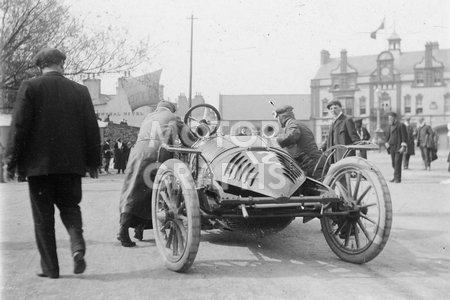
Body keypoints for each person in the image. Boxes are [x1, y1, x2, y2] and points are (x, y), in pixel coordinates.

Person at [4, 48, 101, 279]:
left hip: (39, 168)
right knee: (70, 208)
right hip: (70, 166)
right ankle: (77, 245)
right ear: (62, 64)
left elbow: (19, 128)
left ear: (41, 66)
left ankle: (51, 268)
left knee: (43, 218)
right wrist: (93, 162)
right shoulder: (80, 91)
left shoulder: (30, 87)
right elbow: (91, 128)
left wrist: (10, 160)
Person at [117, 100, 197, 247]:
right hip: (157, 154)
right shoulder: (173, 117)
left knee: (133, 191)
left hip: (137, 153)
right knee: (156, 192)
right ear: (171, 109)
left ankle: (132, 229)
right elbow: (190, 140)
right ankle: (131, 229)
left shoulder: (148, 117)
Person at [275, 105, 323, 179]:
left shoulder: (292, 124)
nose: (277, 121)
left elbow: (292, 136)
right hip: (313, 160)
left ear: (282, 117)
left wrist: (276, 140)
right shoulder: (297, 123)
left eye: (277, 118)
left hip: (309, 161)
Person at [384, 112, 408, 183]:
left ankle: (398, 178)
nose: (389, 120)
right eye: (389, 119)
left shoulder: (401, 125)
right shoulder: (389, 127)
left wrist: (403, 146)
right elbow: (387, 136)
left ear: (395, 118)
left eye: (391, 118)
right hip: (391, 147)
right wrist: (386, 142)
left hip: (398, 147)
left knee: (397, 162)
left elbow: (404, 137)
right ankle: (395, 177)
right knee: (393, 163)